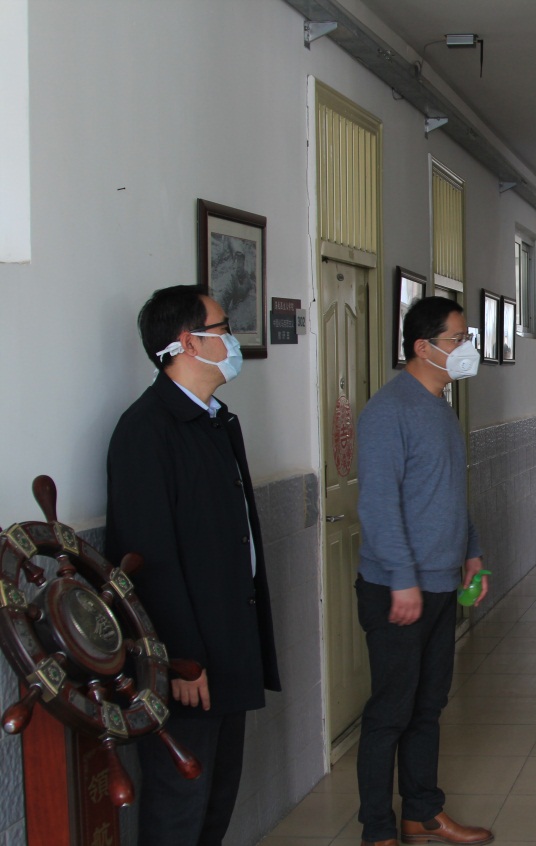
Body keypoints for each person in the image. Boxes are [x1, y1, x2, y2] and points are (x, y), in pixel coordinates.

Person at [105, 285, 280, 846]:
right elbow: (147, 558)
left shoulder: (214, 420)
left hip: (227, 644)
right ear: (188, 342)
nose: (233, 340)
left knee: (217, 796)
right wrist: (180, 660)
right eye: (223, 328)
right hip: (186, 665)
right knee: (180, 803)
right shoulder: (146, 430)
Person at [355, 296, 493, 846]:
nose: (467, 348)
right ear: (423, 347)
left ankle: (422, 813)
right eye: (458, 339)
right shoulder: (388, 411)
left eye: (466, 338)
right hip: (398, 589)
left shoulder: (441, 406)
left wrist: (472, 551)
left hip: (439, 582)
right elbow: (378, 505)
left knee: (428, 707)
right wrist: (402, 579)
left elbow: (449, 492)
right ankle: (377, 830)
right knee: (390, 712)